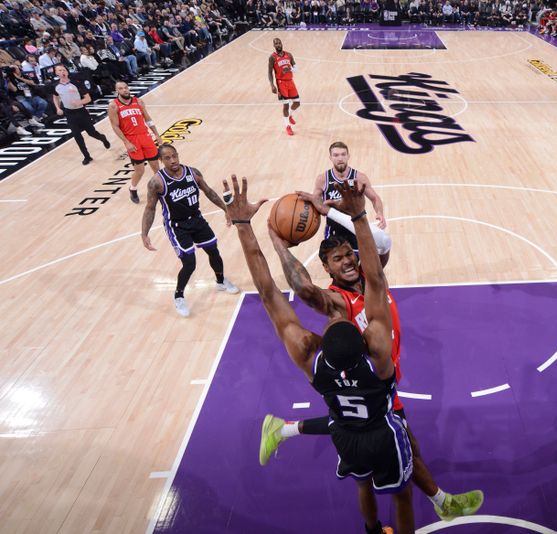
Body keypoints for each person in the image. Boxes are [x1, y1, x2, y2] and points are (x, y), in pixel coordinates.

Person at [261, 198, 483, 522]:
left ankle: (283, 429)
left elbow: (383, 244)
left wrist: (337, 212)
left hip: (383, 383)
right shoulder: (339, 301)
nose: (347, 262)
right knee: (401, 468)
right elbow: (305, 290)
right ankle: (443, 503)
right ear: (327, 268)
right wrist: (279, 244)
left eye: (349, 255)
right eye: (337, 259)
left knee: (384, 457)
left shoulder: (373, 279)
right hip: (372, 387)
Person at [226, 176, 414, 534]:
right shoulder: (378, 355)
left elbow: (268, 294)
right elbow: (375, 280)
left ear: (322, 345)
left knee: (362, 484)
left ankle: (373, 530)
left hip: (345, 433)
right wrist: (359, 216)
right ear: (362, 340)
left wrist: (244, 228)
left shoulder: (310, 359)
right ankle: (431, 504)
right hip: (381, 428)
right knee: (402, 494)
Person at [140, 144, 239, 317]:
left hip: (196, 219)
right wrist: (144, 233)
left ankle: (221, 280)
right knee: (190, 263)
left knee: (213, 251)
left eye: (174, 156)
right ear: (161, 161)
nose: (173, 161)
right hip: (177, 226)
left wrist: (226, 209)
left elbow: (208, 191)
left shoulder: (192, 172)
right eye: (167, 158)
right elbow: (150, 208)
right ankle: (178, 295)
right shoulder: (157, 182)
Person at [313, 142, 387, 256]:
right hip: (334, 229)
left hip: (358, 227)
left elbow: (375, 198)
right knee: (337, 266)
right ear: (330, 158)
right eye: (336, 155)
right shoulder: (323, 179)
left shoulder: (359, 177)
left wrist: (380, 213)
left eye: (343, 154)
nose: (340, 158)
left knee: (364, 264)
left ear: (348, 156)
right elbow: (315, 202)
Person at [108, 81, 161, 204]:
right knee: (140, 170)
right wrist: (126, 142)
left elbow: (148, 119)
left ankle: (159, 188)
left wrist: (157, 134)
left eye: (126, 87)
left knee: (156, 167)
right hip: (132, 140)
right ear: (117, 91)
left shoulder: (139, 101)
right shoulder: (113, 106)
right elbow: (115, 126)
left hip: (145, 136)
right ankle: (133, 189)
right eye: (121, 88)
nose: (125, 90)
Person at [52, 64, 110, 165]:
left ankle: (102, 138)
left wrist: (79, 102)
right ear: (56, 73)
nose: (63, 72)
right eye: (60, 70)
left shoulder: (76, 83)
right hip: (69, 113)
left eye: (64, 70)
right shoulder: (56, 86)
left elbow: (88, 98)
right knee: (77, 136)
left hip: (81, 111)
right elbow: (55, 97)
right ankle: (87, 156)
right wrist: (57, 108)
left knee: (91, 133)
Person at [268, 37, 300, 136]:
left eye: (279, 43)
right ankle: (287, 126)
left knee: (297, 103)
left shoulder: (289, 55)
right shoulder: (272, 57)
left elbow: (296, 68)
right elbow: (269, 72)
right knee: (285, 105)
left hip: (290, 81)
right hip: (281, 83)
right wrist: (272, 85)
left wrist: (290, 69)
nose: (278, 45)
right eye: (276, 43)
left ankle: (289, 115)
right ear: (274, 46)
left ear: (282, 44)